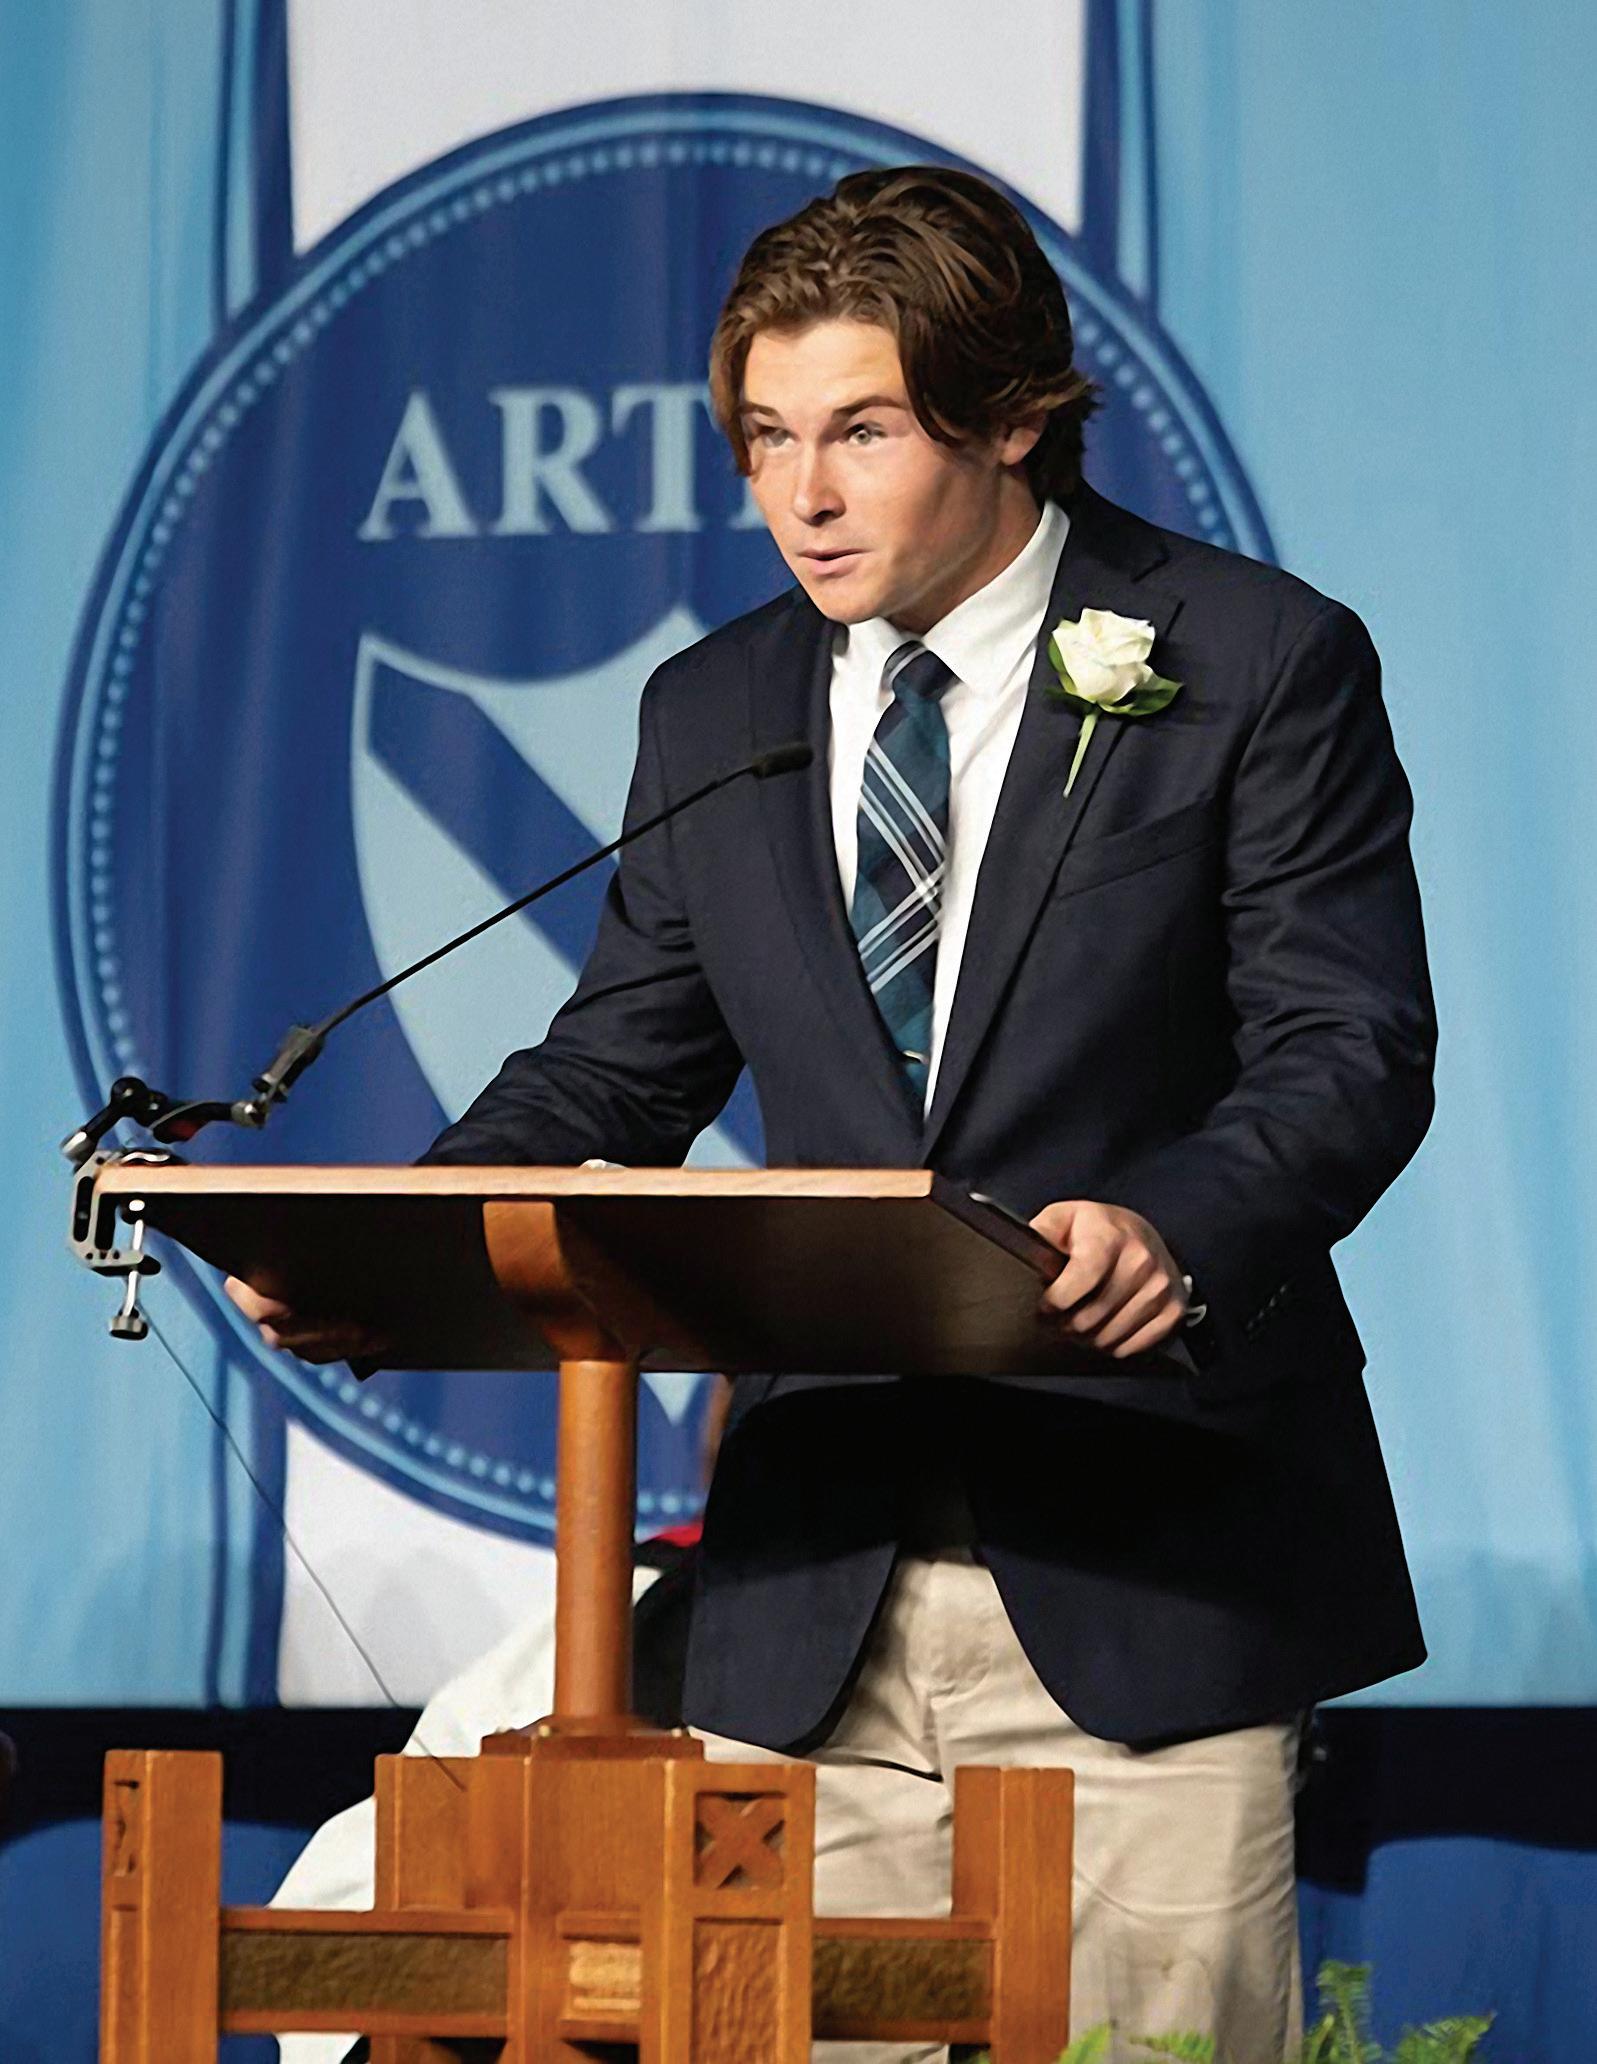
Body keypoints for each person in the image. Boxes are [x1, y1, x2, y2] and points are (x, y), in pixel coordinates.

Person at [231, 165, 1436, 2060]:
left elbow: (1344, 1046)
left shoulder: (1250, 657)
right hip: (807, 1591)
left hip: (1144, 1565)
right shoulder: (717, 707)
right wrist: (406, 1241)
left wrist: (1177, 1227)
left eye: (862, 432)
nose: (803, 494)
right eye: (768, 439)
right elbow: (619, 1066)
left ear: (1010, 416)